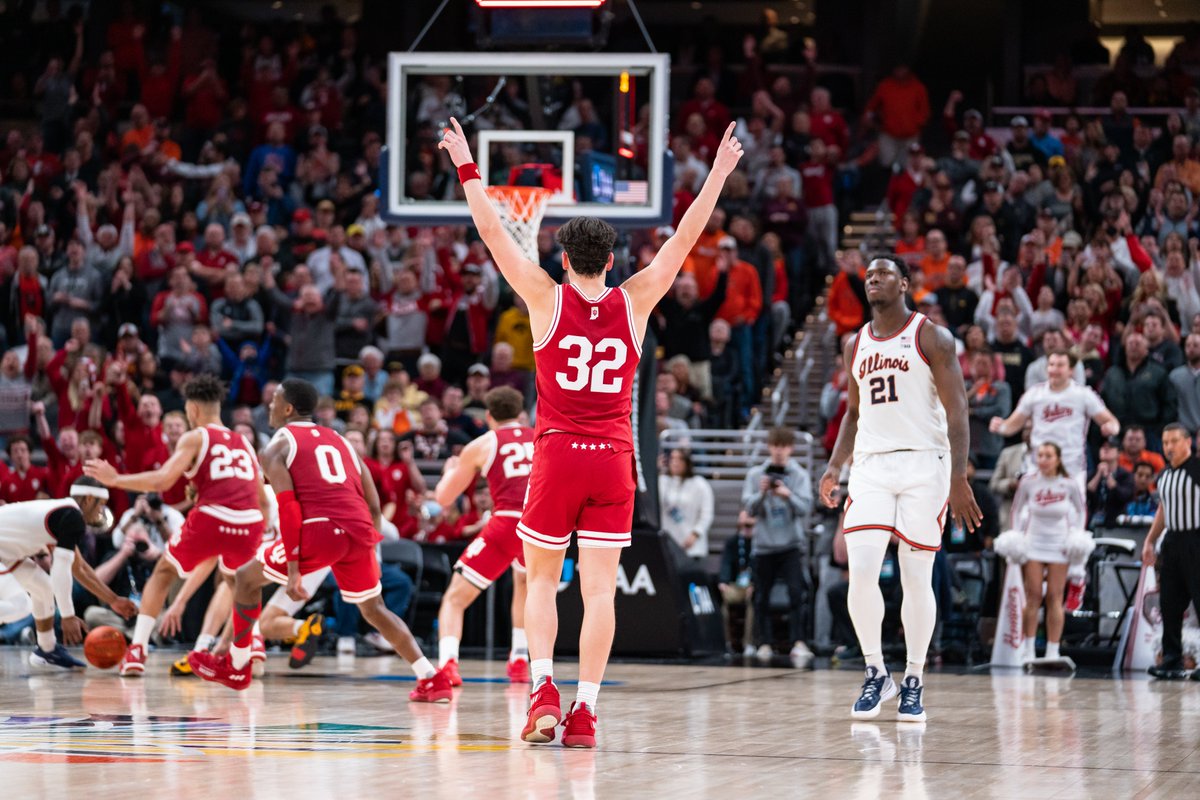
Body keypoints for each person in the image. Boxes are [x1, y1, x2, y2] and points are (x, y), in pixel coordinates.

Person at [439, 116, 743, 747]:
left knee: (543, 582)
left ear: (562, 257)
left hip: (556, 459)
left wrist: (467, 165)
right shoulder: (636, 300)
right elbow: (686, 237)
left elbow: (492, 230)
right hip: (613, 460)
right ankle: (586, 712)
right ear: (610, 259)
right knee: (600, 594)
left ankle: (543, 688)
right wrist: (717, 172)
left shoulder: (543, 298)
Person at [186, 379, 451, 701]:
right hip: (359, 529)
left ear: (287, 408)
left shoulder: (276, 447)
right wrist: (370, 546)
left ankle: (238, 665)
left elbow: (289, 509)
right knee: (375, 608)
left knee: (244, 577)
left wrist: (295, 570)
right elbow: (373, 503)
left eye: (273, 403)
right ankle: (430, 676)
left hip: (320, 529)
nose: (268, 408)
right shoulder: (342, 441)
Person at [818, 254, 983, 723]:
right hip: (870, 466)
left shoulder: (932, 336)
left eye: (883, 273)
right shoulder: (855, 344)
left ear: (905, 283)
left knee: (916, 576)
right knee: (861, 569)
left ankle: (914, 677)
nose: (873, 279)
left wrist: (958, 477)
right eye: (868, 275)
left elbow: (957, 413)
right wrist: (834, 466)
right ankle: (876, 672)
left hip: (923, 465)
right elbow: (853, 413)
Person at [83, 374, 267, 676]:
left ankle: (137, 650)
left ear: (192, 409)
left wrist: (116, 479)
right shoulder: (244, 442)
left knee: (164, 572)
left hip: (213, 516)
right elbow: (261, 499)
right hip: (250, 522)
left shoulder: (195, 437)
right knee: (240, 582)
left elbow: (162, 480)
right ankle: (253, 641)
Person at [990, 350, 1119, 609]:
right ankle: (1027, 575)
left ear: (1071, 369)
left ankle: (1076, 579)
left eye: (1060, 365)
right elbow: (1014, 423)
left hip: (1071, 469)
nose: (1054, 369)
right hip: (1038, 467)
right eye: (1051, 364)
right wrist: (1001, 426)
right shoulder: (1035, 394)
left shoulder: (1083, 395)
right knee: (1024, 517)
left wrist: (1110, 429)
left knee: (1074, 525)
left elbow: (1111, 421)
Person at [432, 386, 534, 687]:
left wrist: (449, 470)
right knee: (525, 588)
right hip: (538, 526)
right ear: (520, 414)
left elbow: (443, 498)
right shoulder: (541, 437)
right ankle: (519, 659)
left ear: (489, 416)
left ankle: (448, 664)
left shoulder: (482, 444)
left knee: (454, 598)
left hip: (505, 524)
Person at [0, 478, 138, 668]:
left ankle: (47, 650)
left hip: (6, 552)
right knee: (21, 605)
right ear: (89, 499)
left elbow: (79, 568)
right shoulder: (73, 517)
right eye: (101, 505)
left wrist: (113, 599)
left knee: (43, 587)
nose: (101, 512)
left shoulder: (63, 515)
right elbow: (60, 569)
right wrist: (67, 615)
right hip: (4, 551)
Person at [741, 426, 813, 666]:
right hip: (764, 545)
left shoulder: (799, 475)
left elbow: (805, 508)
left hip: (791, 544)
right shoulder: (756, 475)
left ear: (790, 448)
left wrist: (787, 494)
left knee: (796, 593)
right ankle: (763, 643)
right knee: (761, 596)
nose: (779, 451)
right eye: (775, 446)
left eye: (783, 446)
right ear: (769, 447)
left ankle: (798, 642)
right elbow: (748, 508)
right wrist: (762, 493)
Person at [1010, 442, 1086, 664]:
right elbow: (1016, 509)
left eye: (1048, 455)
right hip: (1034, 542)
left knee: (1055, 596)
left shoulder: (1069, 484)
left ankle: (1053, 650)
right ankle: (1029, 649)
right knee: (1033, 595)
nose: (1043, 459)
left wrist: (1076, 536)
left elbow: (1081, 511)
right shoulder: (1028, 482)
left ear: (1058, 459)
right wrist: (1017, 536)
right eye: (1040, 455)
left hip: (1059, 544)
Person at [1140, 424, 1200, 680]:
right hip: (1173, 541)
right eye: (1165, 442)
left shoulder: (1197, 469)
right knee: (1170, 603)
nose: (1169, 447)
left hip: (1196, 539)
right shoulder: (1164, 475)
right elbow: (1164, 509)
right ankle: (1172, 659)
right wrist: (1150, 541)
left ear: (1188, 442)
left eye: (1174, 441)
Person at [658, 448, 715, 559]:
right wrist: (655, 471)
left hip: (692, 547)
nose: (675, 462)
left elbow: (707, 514)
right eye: (672, 458)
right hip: (667, 546)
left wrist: (695, 534)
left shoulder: (700, 484)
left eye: (680, 459)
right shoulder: (661, 481)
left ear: (687, 462)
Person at [718, 511, 756, 656]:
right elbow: (726, 563)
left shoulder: (759, 542)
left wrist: (754, 583)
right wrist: (723, 581)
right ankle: (727, 643)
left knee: (752, 605)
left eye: (750, 525)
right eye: (744, 524)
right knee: (725, 603)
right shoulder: (732, 542)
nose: (747, 527)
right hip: (736, 584)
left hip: (751, 585)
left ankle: (749, 643)